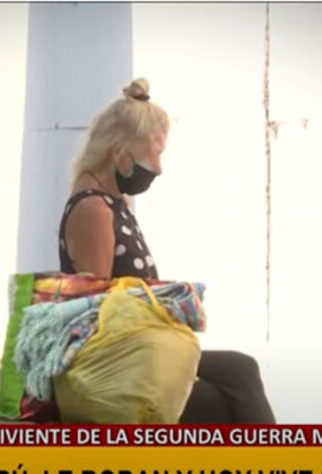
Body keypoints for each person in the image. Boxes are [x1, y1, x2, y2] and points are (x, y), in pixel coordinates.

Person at [57, 78, 276, 423]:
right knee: (218, 403)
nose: (159, 168)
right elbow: (96, 310)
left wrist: (169, 301)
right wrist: (161, 306)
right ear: (119, 153)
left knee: (241, 369)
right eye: (155, 155)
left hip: (140, 350)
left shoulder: (115, 201)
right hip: (113, 364)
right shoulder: (93, 209)